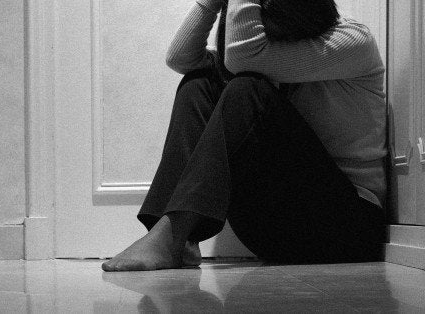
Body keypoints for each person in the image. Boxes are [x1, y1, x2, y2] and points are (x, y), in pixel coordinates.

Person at [102, 0, 388, 272]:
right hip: (276, 230)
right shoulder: (271, 51)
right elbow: (182, 58)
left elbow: (242, 57)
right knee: (198, 83)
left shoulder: (352, 41)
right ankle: (177, 239)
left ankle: (172, 234)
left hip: (347, 226)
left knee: (247, 89)